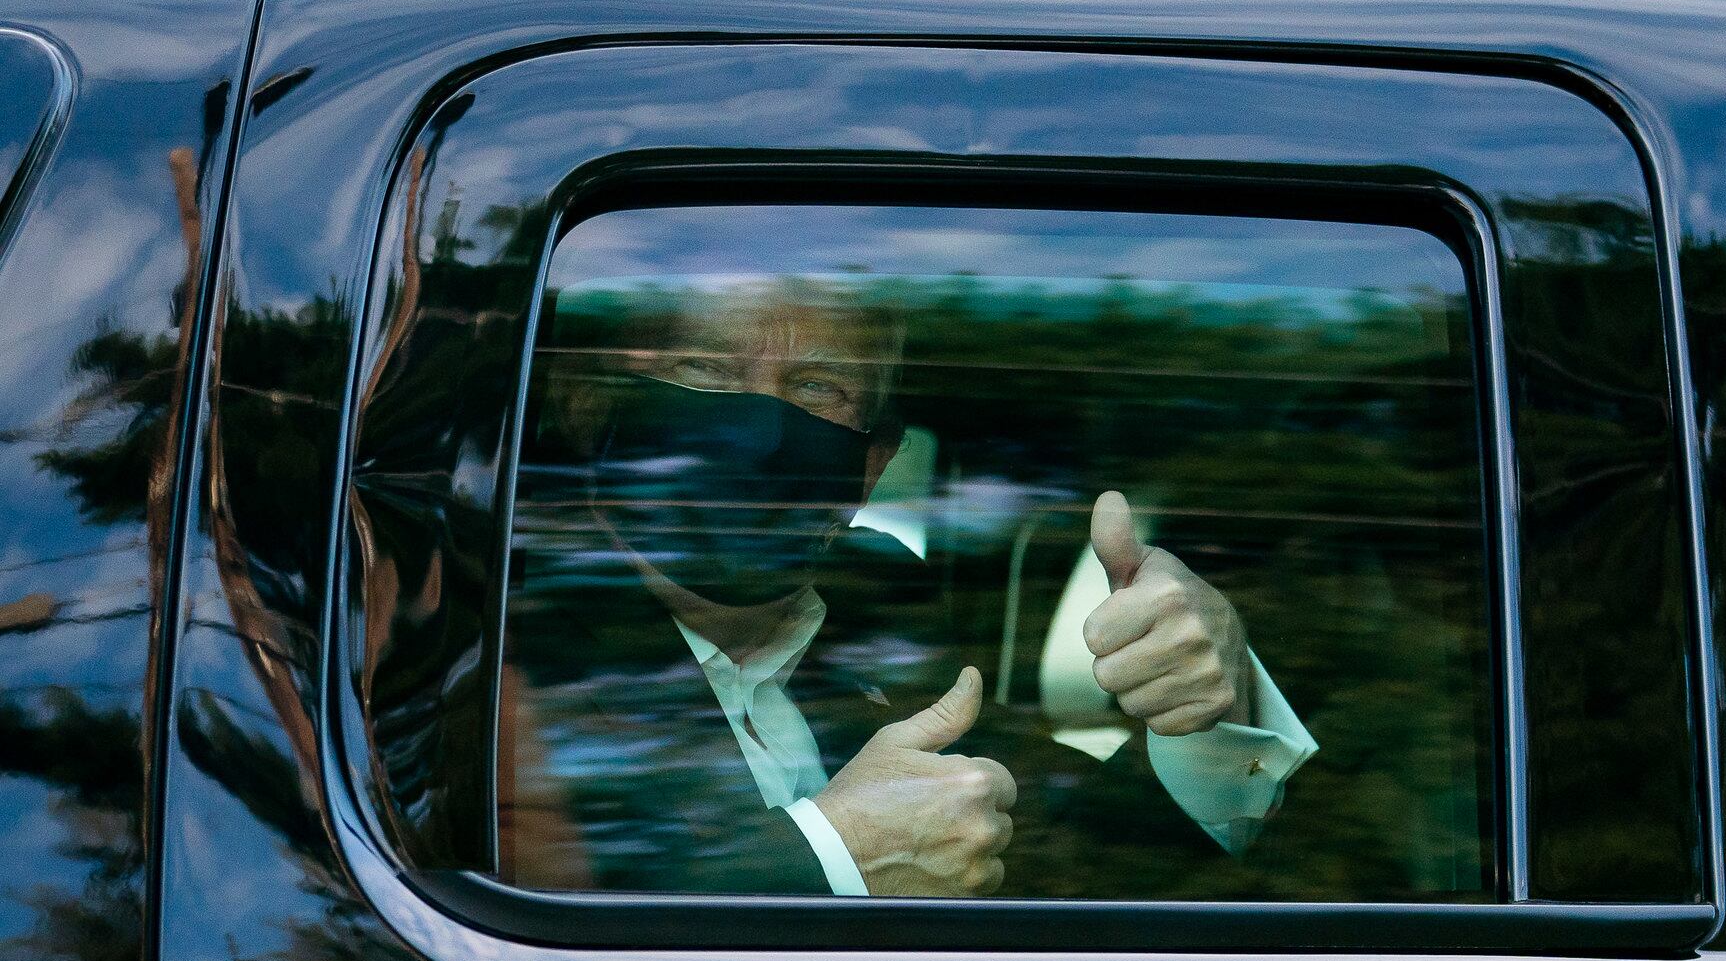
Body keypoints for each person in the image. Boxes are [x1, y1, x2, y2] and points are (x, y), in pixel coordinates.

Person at [498, 282, 1317, 897]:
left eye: (817, 388)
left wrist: (1210, 709)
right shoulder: (493, 631)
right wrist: (829, 860)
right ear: (587, 404)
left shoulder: (898, 616)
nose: (757, 426)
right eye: (706, 368)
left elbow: (1110, 870)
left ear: (873, 462)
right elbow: (515, 928)